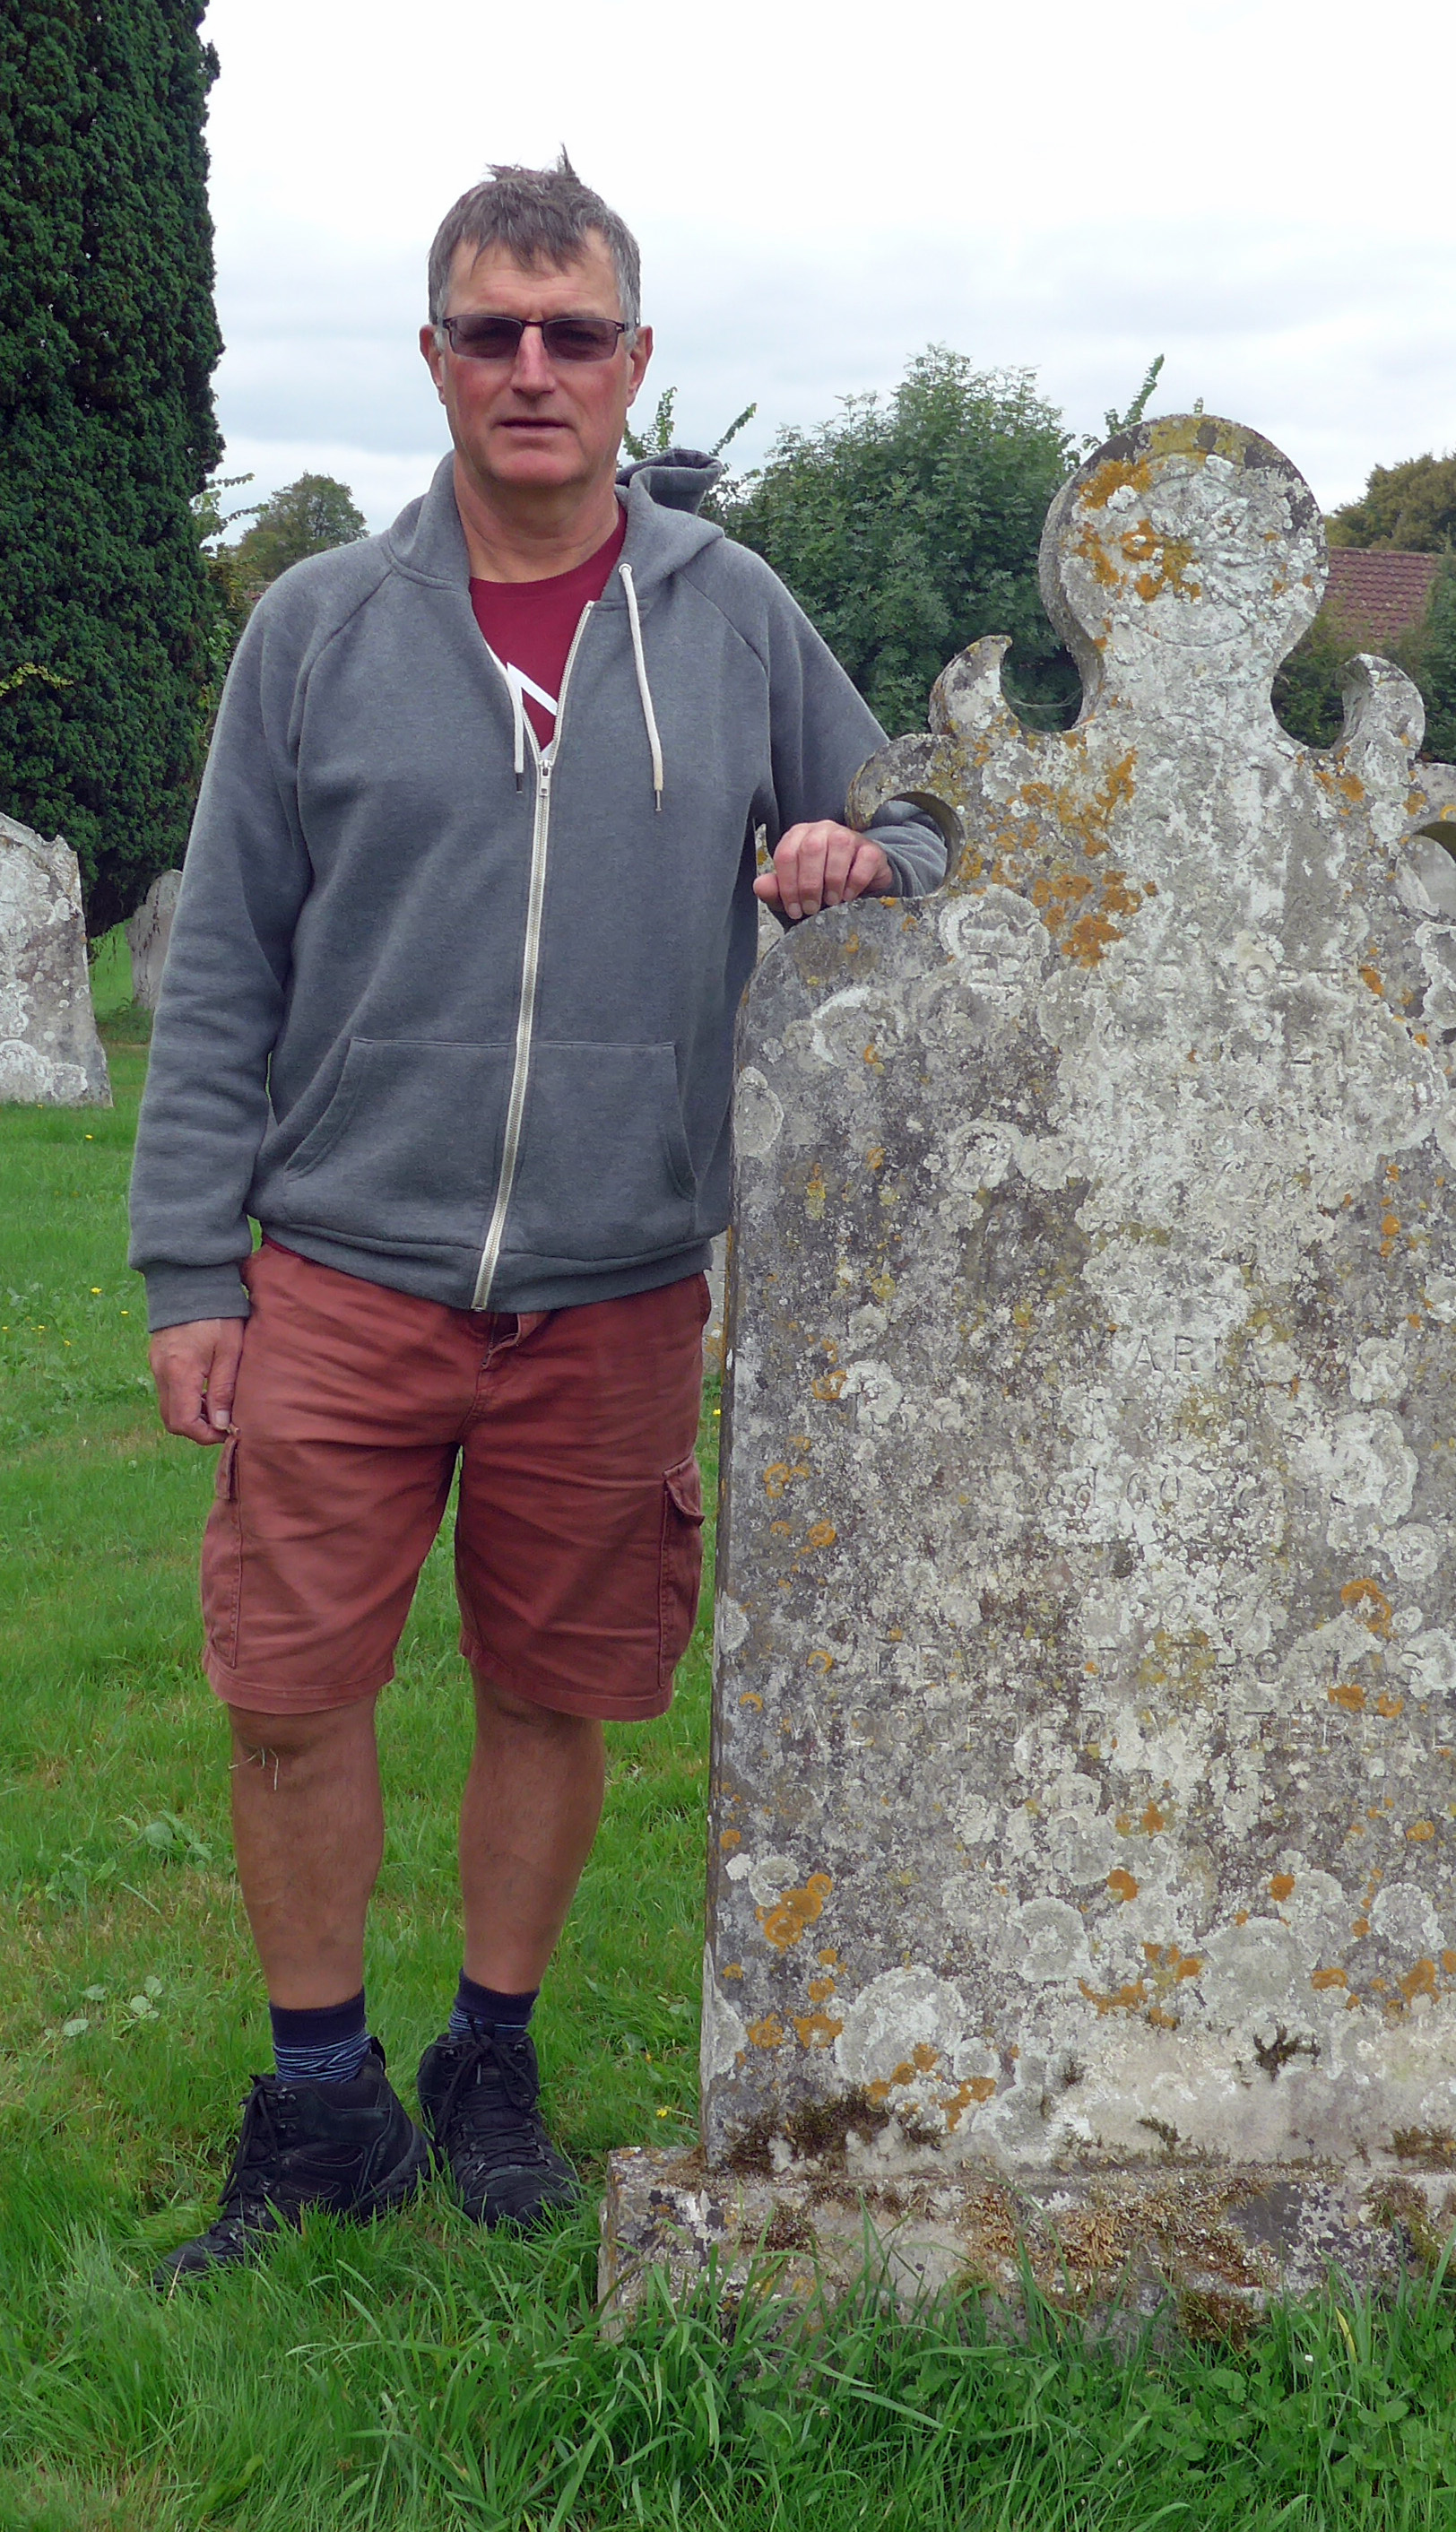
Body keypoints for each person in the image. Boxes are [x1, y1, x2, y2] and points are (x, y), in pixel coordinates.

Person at [127, 155, 946, 2282]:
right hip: (339, 1264)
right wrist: (193, 1266)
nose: (530, 367)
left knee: (552, 1686)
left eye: (571, 333)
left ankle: (487, 2056)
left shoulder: (731, 613)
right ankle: (322, 2094)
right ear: (432, 356)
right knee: (289, 1688)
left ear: (632, 361)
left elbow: (926, 806)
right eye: (489, 330)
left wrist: (865, 857)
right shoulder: (318, 627)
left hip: (613, 1281)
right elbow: (218, 973)